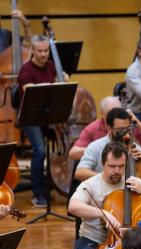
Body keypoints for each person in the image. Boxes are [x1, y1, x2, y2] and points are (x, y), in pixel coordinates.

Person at [69, 141, 141, 249]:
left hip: (131, 242)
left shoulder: (134, 183)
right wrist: (104, 213)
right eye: (112, 166)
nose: (117, 171)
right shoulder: (91, 184)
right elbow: (73, 206)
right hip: (92, 239)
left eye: (121, 166)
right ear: (103, 164)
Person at [17, 35, 68, 207]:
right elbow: (33, 94)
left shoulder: (51, 66)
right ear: (32, 50)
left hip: (47, 115)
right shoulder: (26, 71)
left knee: (56, 145)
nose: (44, 54)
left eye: (46, 50)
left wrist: (63, 81)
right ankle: (37, 193)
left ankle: (56, 185)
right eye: (40, 51)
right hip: (30, 117)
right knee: (39, 150)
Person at [75, 107, 141, 182]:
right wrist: (107, 177)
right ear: (109, 128)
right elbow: (79, 172)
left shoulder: (133, 146)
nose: (125, 133)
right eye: (120, 129)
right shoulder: (95, 146)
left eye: (127, 129)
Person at [68, 96, 141, 161]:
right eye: (110, 113)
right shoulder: (92, 128)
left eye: (118, 112)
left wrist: (137, 122)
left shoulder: (128, 124)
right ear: (102, 113)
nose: (115, 118)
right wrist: (102, 148)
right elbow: (73, 153)